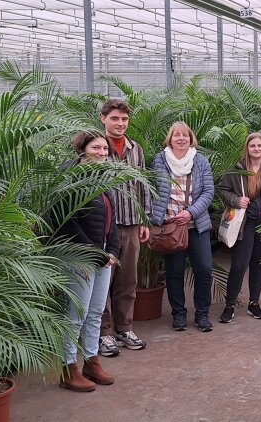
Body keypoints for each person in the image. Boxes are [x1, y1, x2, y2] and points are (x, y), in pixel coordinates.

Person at [58, 132, 119, 392]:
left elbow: (111, 219)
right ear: (82, 149)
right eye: (96, 147)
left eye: (105, 148)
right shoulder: (70, 179)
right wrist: (95, 252)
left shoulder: (102, 179)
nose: (102, 152)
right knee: (76, 314)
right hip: (80, 256)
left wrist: (113, 249)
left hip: (104, 255)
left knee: (95, 312)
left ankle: (91, 361)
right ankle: (68, 367)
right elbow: (66, 222)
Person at [150, 122, 215, 332]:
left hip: (196, 225)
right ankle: (178, 314)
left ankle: (202, 314)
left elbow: (208, 192)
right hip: (169, 227)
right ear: (170, 139)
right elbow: (152, 189)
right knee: (174, 272)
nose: (181, 139)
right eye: (176, 135)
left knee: (204, 269)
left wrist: (190, 212)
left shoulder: (200, 161)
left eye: (185, 135)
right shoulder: (160, 160)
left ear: (191, 138)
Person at [99, 99, 150, 358]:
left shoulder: (135, 149)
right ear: (103, 118)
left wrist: (143, 219)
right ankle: (103, 332)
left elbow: (142, 185)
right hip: (103, 227)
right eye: (115, 119)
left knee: (127, 280)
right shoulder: (95, 148)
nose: (120, 124)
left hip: (131, 223)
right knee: (103, 282)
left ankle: (124, 328)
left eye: (124, 119)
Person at [218, 133, 261, 323]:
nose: (256, 149)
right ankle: (230, 305)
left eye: (260, 146)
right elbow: (223, 190)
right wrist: (236, 200)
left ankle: (253, 304)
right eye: (253, 146)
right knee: (239, 265)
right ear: (247, 149)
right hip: (244, 224)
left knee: (258, 265)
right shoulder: (238, 170)